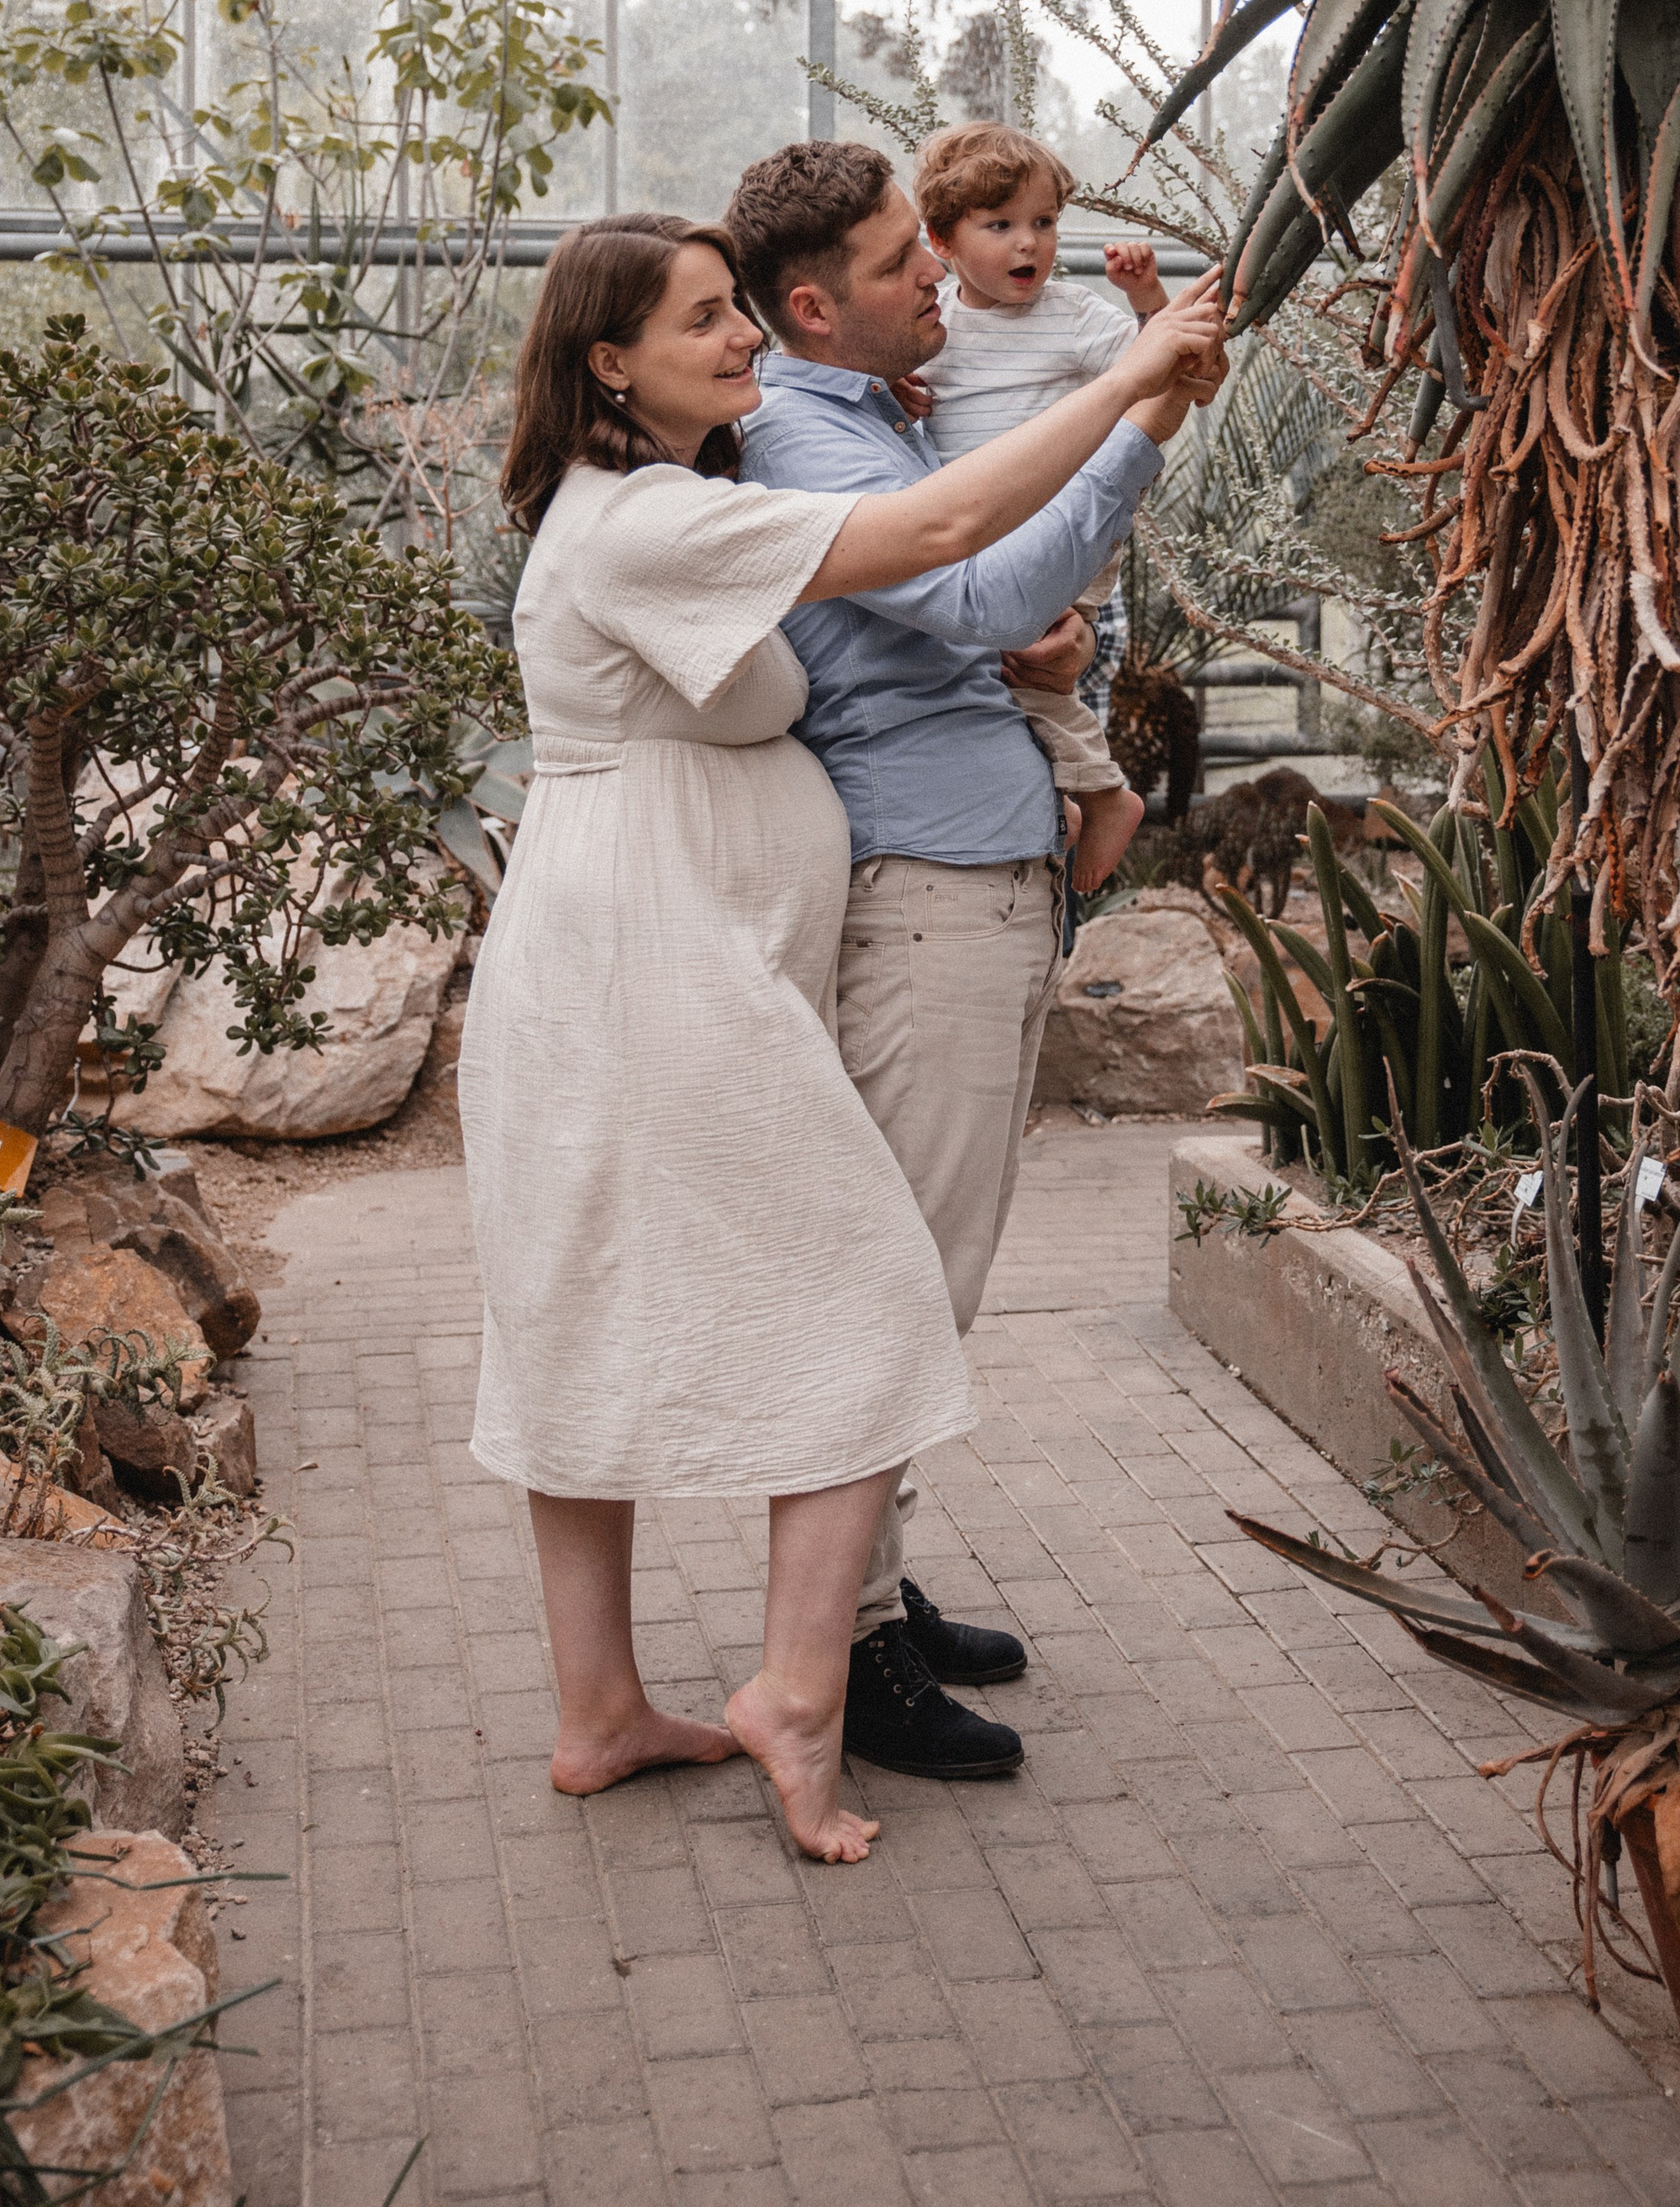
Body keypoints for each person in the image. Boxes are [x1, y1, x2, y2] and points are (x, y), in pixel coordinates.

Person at [460, 209, 1219, 1864]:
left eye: (741, 310)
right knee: (874, 1295)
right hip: (652, 967)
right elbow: (945, 521)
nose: (744, 339)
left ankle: (600, 1714)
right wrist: (1138, 378)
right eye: (703, 322)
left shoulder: (656, 507)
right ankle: (798, 1697)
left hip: (630, 947)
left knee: (578, 1309)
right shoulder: (647, 517)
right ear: (608, 362)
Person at [726, 142, 1222, 1781]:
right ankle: (845, 1651)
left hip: (971, 881)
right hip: (925, 900)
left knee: (914, 1280)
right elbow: (990, 586)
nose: (938, 274)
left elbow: (1007, 605)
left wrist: (1058, 631)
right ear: (811, 305)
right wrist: (1145, 406)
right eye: (899, 261)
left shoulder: (881, 411)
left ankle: (866, 1589)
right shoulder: (806, 425)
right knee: (900, 1287)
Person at [913, 119, 1165, 897]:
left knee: (1027, 666)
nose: (1029, 245)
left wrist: (1147, 296)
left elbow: (1162, 365)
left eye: (1045, 223)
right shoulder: (935, 327)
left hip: (1060, 537)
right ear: (942, 243)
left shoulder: (1076, 318)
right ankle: (1072, 801)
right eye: (1000, 225)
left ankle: (1101, 793)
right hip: (978, 543)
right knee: (994, 682)